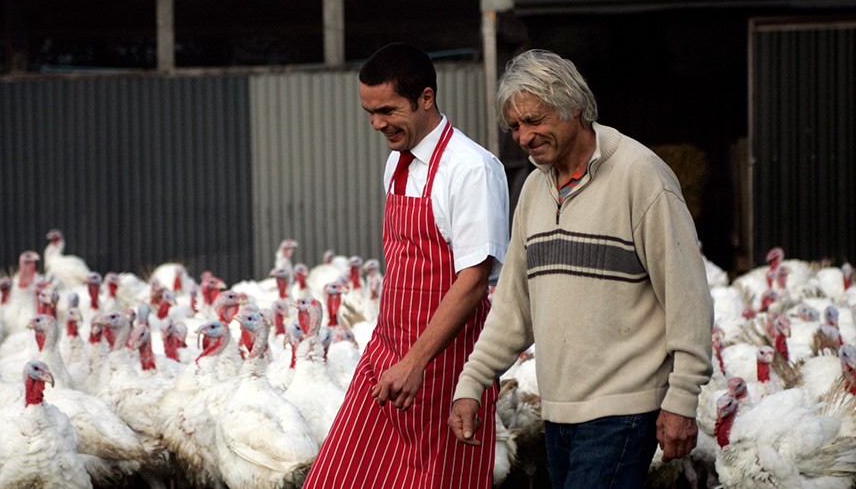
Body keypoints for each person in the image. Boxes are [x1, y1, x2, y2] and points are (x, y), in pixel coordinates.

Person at [448, 49, 714, 488]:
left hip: (622, 409)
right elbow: (514, 306)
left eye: (535, 120)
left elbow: (687, 294)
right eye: (514, 126)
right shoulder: (534, 189)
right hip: (558, 411)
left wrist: (682, 398)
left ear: (574, 105)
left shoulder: (641, 175)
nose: (524, 137)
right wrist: (472, 382)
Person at [303, 43, 510, 488]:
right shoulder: (396, 163)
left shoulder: (472, 169)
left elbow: (473, 283)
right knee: (337, 478)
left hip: (447, 367)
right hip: (386, 354)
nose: (377, 124)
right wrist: (394, 356)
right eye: (369, 113)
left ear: (426, 98)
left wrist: (416, 361)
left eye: (388, 111)